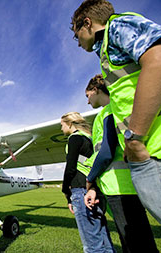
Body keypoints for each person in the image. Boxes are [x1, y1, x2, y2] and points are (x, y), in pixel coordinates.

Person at [71, 0, 161, 223]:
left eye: (77, 35)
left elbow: (158, 60)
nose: (78, 42)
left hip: (151, 148)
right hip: (145, 152)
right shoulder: (106, 50)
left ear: (88, 23)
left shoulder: (118, 26)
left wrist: (134, 138)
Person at [83, 74, 158, 253]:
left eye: (87, 96)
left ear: (95, 90)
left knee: (135, 244)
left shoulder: (108, 112)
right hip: (126, 185)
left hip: (120, 188)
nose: (87, 101)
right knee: (139, 241)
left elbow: (106, 152)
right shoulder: (112, 110)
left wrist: (90, 179)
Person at [61, 112, 115, 253]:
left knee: (92, 244)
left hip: (80, 190)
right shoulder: (90, 139)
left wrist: (66, 191)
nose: (61, 129)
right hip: (94, 190)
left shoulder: (74, 139)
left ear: (70, 124)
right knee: (104, 238)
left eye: (62, 125)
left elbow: (70, 168)